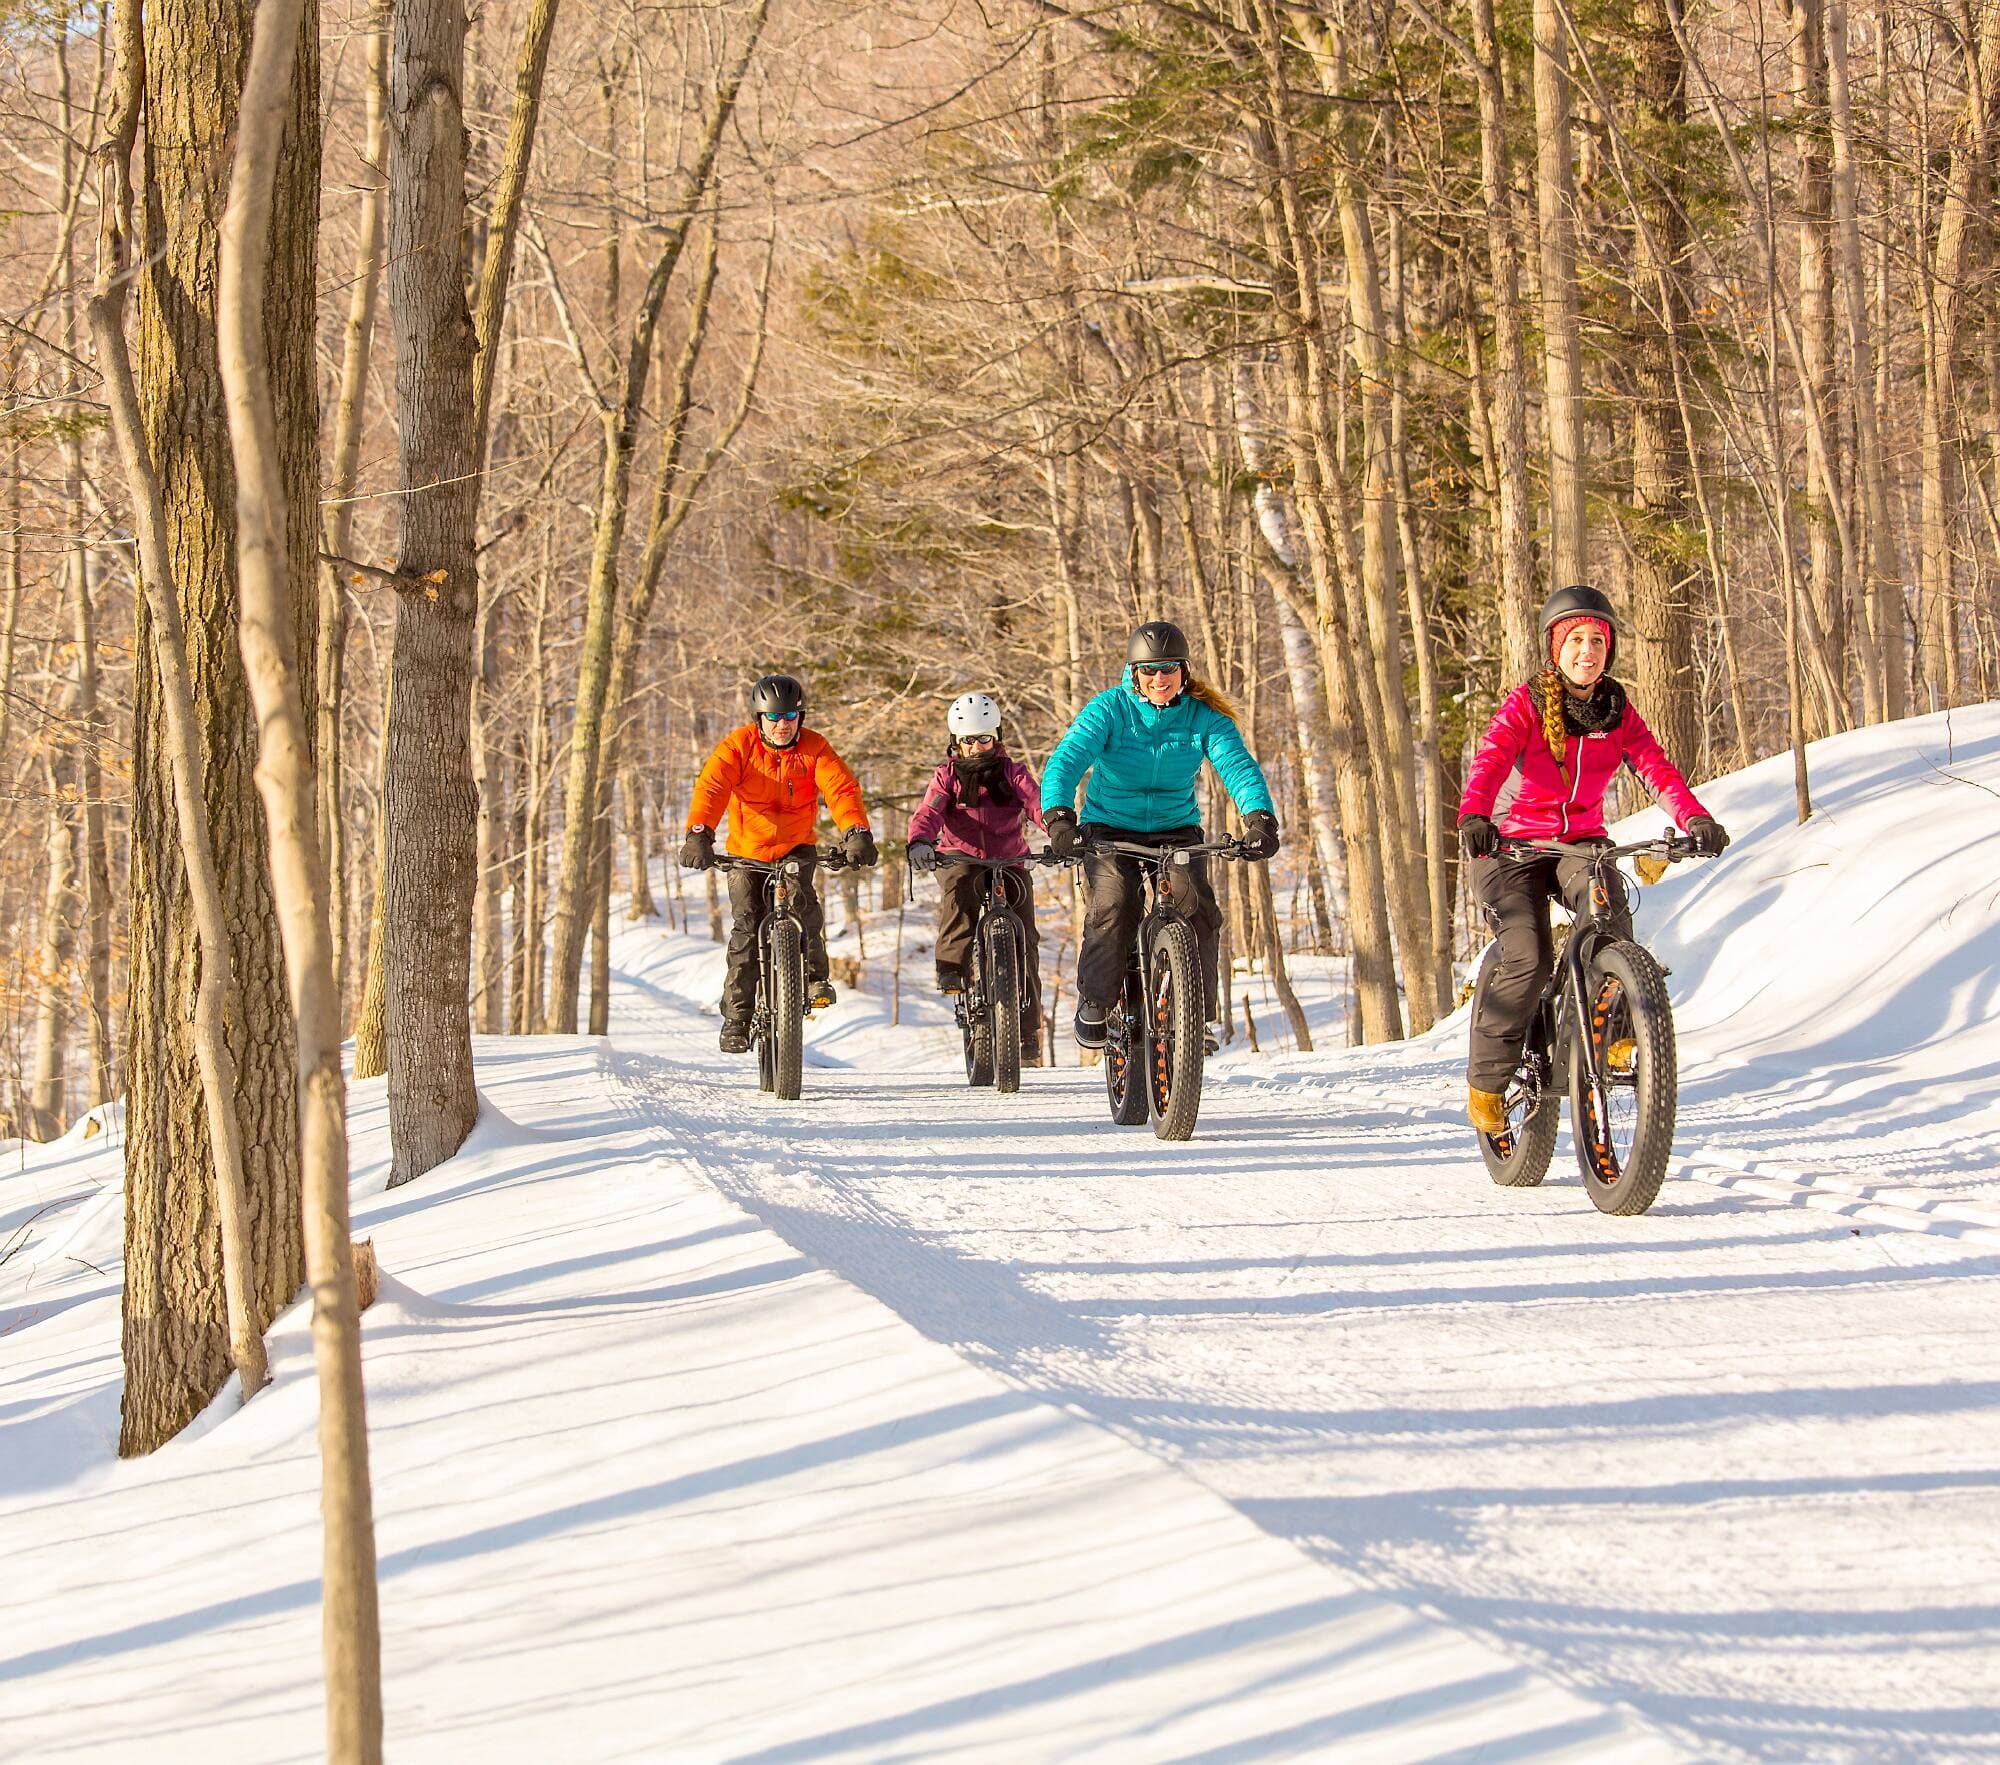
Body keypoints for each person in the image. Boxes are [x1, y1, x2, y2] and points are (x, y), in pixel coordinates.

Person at [1457, 584, 1730, 1134]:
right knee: (1529, 956)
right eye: (1576, 640)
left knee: (1610, 920)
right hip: (1511, 845)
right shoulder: (1526, 705)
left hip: (1580, 843)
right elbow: (1490, 761)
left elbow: (1655, 768)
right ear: (1555, 648)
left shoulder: (1615, 710)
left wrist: (1696, 819)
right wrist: (1475, 815)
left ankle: (1615, 1035)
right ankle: (1487, 1081)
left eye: (1598, 641)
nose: (1588, 651)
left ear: (1610, 649)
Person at [1040, 621, 1279, 1051]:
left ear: (1184, 670)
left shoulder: (1203, 718)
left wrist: (1259, 818)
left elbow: (1237, 766)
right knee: (1115, 902)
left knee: (1196, 905)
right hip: (1110, 827)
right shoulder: (1110, 709)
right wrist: (1059, 817)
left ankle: (1194, 1017)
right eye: (1149, 670)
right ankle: (1097, 1000)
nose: (1159, 678)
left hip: (1176, 829)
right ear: (1134, 673)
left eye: (1168, 668)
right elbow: (1066, 759)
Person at [680, 673, 877, 1053]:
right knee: (746, 926)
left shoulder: (815, 748)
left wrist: (856, 832)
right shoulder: (738, 746)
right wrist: (699, 834)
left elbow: (841, 789)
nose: (782, 724)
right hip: (747, 852)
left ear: (800, 717)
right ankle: (737, 1019)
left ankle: (816, 979)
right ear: (759, 718)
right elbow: (712, 788)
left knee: (804, 904)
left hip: (795, 846)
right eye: (773, 717)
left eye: (789, 716)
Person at [906, 691, 1050, 1064]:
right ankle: (952, 968)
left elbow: (1037, 804)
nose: (976, 747)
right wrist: (920, 840)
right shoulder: (947, 777)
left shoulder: (1013, 773)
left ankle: (1026, 1029)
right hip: (962, 856)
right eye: (968, 740)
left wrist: (1059, 829)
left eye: (984, 738)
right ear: (956, 742)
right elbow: (929, 812)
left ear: (996, 737)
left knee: (1026, 938)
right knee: (959, 892)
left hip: (1010, 859)